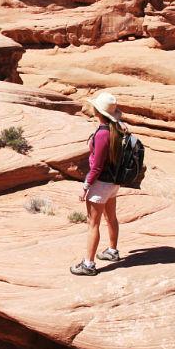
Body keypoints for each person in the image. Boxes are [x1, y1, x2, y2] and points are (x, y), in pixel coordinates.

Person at [70, 92, 125, 277]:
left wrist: (86, 186)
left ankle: (89, 264)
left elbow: (97, 165)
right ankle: (112, 251)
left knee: (93, 224)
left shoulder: (103, 133)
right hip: (113, 182)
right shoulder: (118, 129)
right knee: (111, 217)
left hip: (101, 183)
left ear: (98, 111)